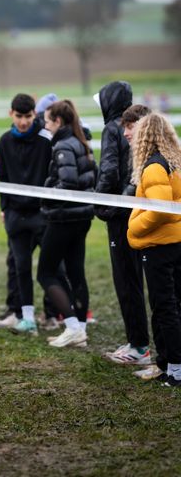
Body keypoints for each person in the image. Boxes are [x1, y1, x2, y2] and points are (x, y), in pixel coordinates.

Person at [94, 82, 151, 365]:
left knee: (126, 281)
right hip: (139, 210)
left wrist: (101, 206)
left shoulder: (112, 129)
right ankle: (139, 342)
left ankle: (138, 345)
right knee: (141, 280)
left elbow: (108, 170)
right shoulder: (136, 126)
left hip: (120, 215)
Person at [127, 113, 181, 387]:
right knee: (172, 305)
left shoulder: (154, 167)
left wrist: (135, 227)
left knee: (165, 308)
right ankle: (167, 363)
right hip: (174, 243)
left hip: (160, 246)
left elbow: (160, 210)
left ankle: (174, 367)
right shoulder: (174, 162)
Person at [37, 100, 96, 348]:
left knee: (46, 273)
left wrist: (46, 194)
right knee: (75, 272)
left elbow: (68, 184)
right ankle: (80, 330)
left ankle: (72, 326)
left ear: (58, 122)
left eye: (48, 122)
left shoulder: (62, 146)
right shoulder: (80, 140)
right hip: (82, 216)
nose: (46, 127)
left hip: (64, 217)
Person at [0, 93, 52, 334]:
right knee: (20, 266)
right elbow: (3, 175)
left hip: (42, 214)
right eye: (19, 116)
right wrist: (6, 208)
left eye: (28, 116)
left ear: (34, 114)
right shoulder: (5, 140)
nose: (24, 122)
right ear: (11, 114)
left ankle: (55, 315)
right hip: (16, 215)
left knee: (52, 269)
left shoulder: (46, 139)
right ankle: (24, 316)